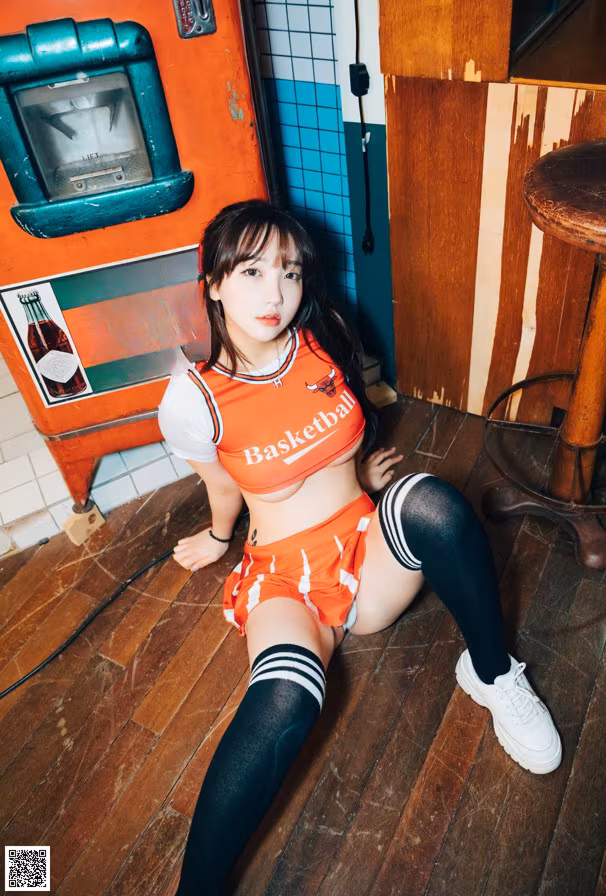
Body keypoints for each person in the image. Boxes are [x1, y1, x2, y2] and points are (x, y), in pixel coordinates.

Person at [158, 199, 562, 893]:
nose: (275, 294)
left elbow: (349, 415)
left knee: (433, 502)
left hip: (367, 549)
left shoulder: (322, 333)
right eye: (251, 272)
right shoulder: (191, 399)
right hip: (287, 578)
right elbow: (224, 487)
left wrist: (358, 468)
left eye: (288, 271)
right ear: (214, 281)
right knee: (286, 698)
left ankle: (492, 675)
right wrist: (219, 537)